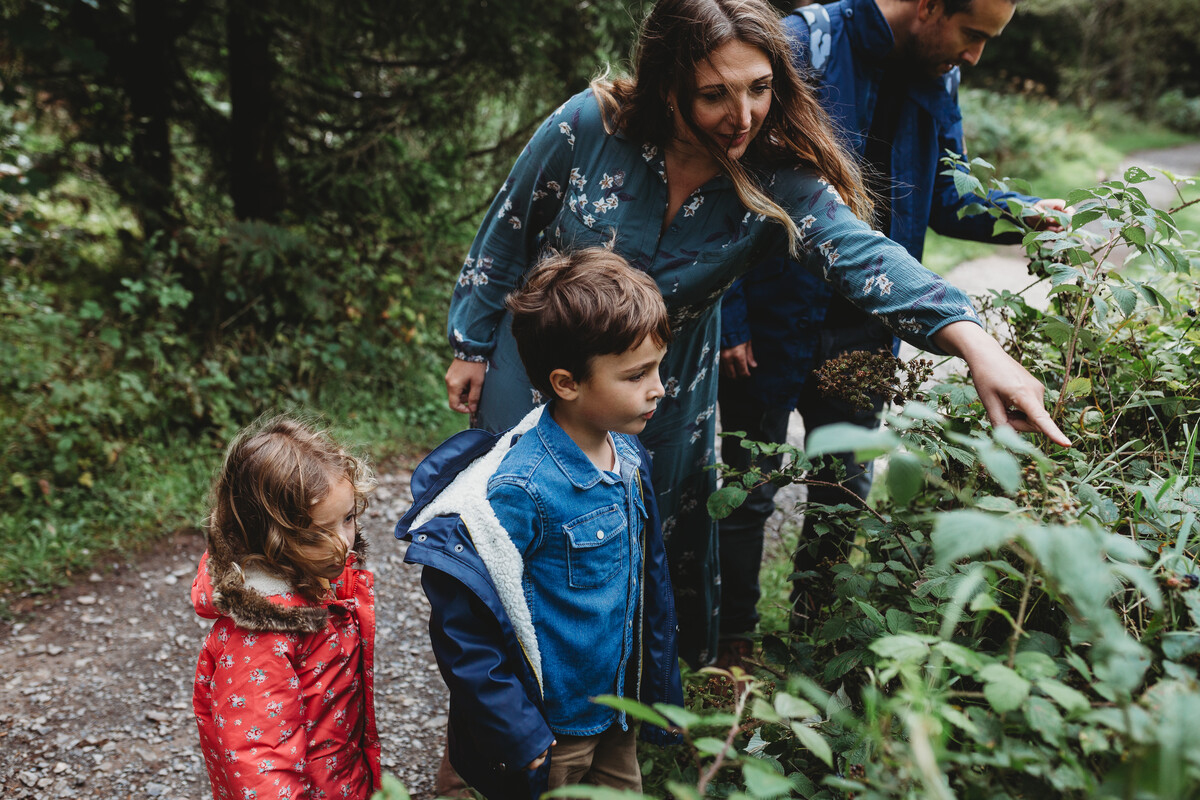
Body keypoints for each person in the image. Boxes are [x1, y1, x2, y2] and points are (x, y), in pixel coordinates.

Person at [442, 0, 1070, 667]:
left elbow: (868, 260)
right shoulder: (590, 125)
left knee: (627, 551)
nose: (742, 116)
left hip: (661, 394)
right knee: (507, 537)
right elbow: (508, 230)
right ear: (667, 85)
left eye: (760, 89)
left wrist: (976, 342)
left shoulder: (778, 180)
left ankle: (609, 718)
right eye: (714, 94)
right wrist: (471, 344)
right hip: (537, 370)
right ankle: (482, 726)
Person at [715, 0, 1070, 655]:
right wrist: (727, 310)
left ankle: (815, 644)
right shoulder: (800, 46)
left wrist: (1022, 215)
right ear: (930, 6)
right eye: (973, 35)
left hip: (871, 326)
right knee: (745, 486)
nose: (976, 55)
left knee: (843, 487)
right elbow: (728, 172)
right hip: (768, 314)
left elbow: (946, 197)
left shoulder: (941, 73)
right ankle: (729, 647)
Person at [397, 248, 682, 799]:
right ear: (567, 383)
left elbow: (649, 585)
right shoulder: (517, 491)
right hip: (551, 735)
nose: (658, 388)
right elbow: (466, 628)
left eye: (658, 367)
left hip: (615, 715)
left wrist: (657, 694)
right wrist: (521, 735)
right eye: (637, 374)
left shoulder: (628, 458)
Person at [192, 416, 381, 800]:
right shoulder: (259, 638)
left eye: (347, 519)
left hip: (338, 777)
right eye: (317, 534)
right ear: (267, 539)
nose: (343, 544)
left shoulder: (318, 577)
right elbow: (257, 756)